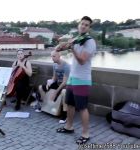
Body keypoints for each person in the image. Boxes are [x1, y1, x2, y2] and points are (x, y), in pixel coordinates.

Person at [56, 16, 96, 145]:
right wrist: (61, 45)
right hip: (72, 78)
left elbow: (82, 60)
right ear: (78, 25)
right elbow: (62, 47)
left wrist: (72, 48)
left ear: (89, 28)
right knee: (70, 104)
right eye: (82, 24)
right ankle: (69, 127)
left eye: (86, 25)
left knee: (82, 107)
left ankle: (85, 133)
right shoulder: (77, 39)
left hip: (82, 79)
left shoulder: (89, 41)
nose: (83, 26)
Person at [35, 51, 70, 124]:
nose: (52, 58)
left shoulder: (66, 66)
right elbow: (54, 77)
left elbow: (64, 82)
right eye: (51, 56)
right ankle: (45, 106)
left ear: (59, 56)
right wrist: (49, 83)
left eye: (54, 56)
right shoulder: (55, 65)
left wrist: (55, 93)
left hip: (66, 85)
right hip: (58, 83)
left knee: (64, 92)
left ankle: (65, 114)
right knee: (41, 87)